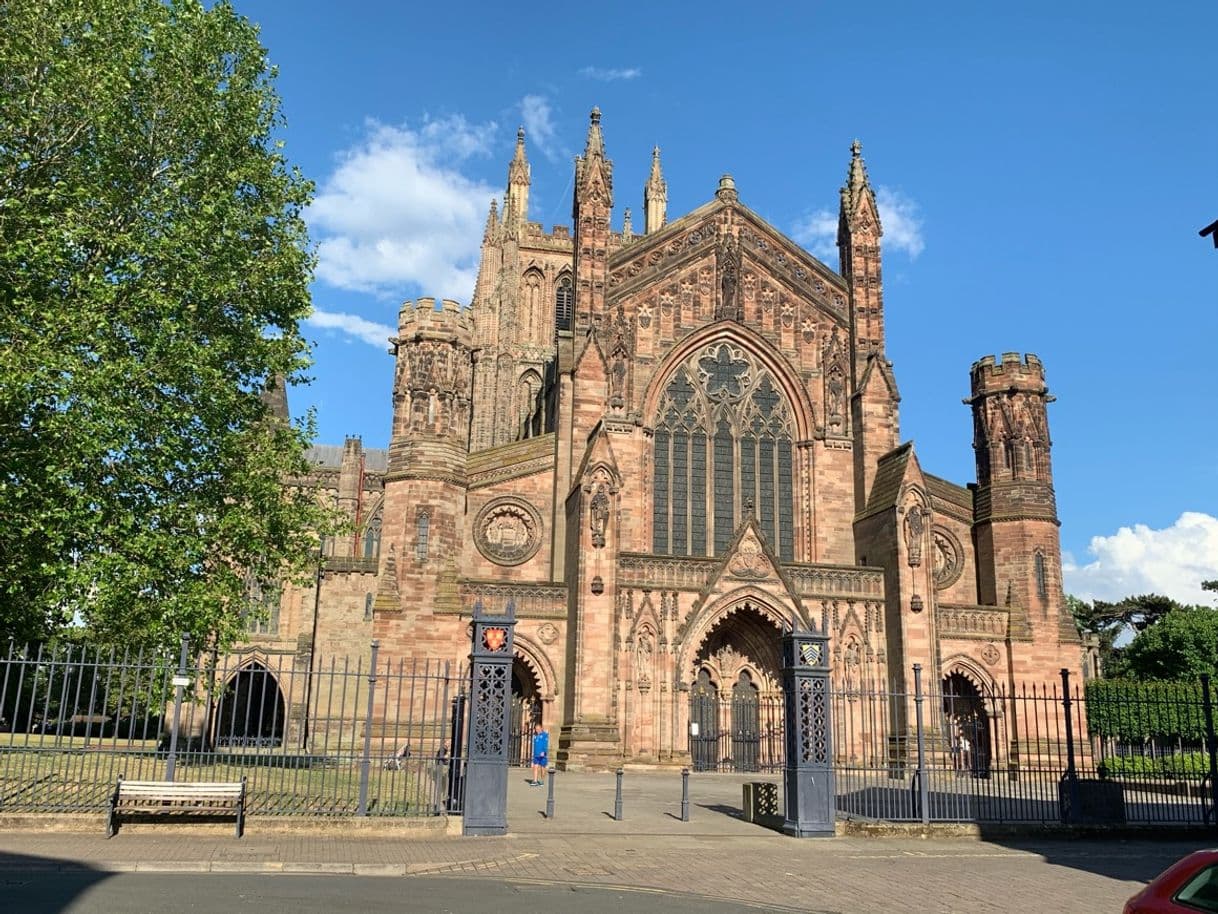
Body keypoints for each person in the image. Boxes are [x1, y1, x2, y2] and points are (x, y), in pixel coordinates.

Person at [530, 722, 548, 787]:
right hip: (536, 755)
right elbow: (534, 746)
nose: (537, 730)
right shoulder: (535, 736)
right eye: (536, 729)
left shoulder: (545, 735)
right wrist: (533, 754)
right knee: (535, 767)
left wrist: (544, 751)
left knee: (543, 768)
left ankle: (542, 780)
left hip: (543, 755)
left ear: (541, 728)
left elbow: (545, 744)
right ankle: (535, 781)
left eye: (538, 729)